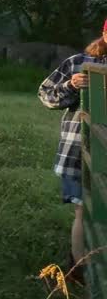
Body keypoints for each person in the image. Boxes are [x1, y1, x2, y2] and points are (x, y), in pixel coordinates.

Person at [38, 19, 107, 280]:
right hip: (79, 149)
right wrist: (71, 85)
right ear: (104, 33)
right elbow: (46, 94)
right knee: (83, 210)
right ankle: (79, 272)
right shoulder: (78, 62)